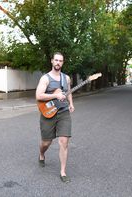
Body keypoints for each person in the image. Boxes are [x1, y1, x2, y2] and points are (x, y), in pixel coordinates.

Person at [35, 52, 75, 183]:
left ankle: (63, 172)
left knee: (64, 142)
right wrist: (55, 96)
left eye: (61, 61)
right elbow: (39, 96)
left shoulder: (66, 78)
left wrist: (71, 104)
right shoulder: (45, 78)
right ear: (52, 61)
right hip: (48, 112)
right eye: (56, 60)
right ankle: (41, 154)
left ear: (63, 63)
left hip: (63, 112)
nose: (58, 63)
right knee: (46, 142)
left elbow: (68, 92)